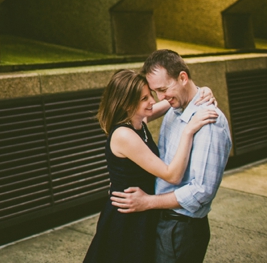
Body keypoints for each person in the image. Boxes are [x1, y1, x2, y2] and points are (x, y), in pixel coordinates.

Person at [83, 69, 218, 263]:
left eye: (151, 95)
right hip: (128, 218)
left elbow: (176, 99)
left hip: (141, 209)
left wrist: (202, 91)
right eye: (144, 98)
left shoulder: (138, 119)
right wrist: (188, 131)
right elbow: (172, 175)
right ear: (127, 104)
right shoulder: (124, 135)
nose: (152, 101)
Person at [111, 50, 232, 263]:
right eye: (153, 92)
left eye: (163, 90)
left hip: (180, 228)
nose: (159, 98)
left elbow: (200, 191)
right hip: (160, 220)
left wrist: (148, 202)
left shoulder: (208, 122)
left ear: (183, 78)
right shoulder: (175, 108)